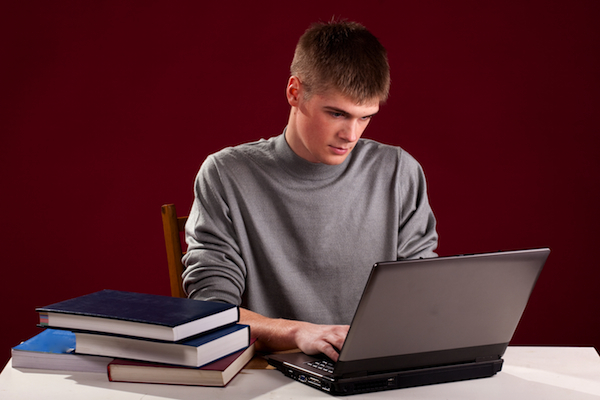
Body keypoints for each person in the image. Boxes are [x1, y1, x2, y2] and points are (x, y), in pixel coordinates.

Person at [182, 20, 438, 362]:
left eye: (365, 117)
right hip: (269, 373)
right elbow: (211, 312)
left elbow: (422, 298)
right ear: (295, 93)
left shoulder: (398, 171)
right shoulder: (227, 175)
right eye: (337, 113)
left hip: (375, 369)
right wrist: (298, 332)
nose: (351, 134)